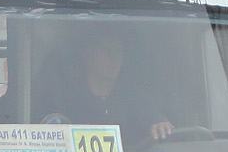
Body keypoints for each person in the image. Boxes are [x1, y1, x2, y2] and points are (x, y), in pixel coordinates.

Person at [40, 30, 173, 143]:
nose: (114, 58)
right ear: (87, 56)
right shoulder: (65, 100)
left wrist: (160, 124)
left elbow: (155, 121)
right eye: (106, 51)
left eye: (118, 51)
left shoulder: (135, 98)